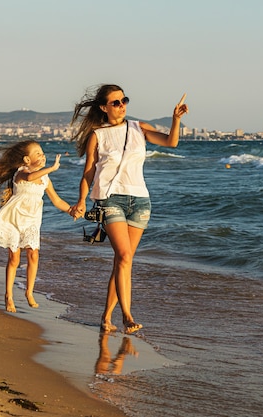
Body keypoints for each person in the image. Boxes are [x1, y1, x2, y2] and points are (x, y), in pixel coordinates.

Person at [69, 84, 188, 334]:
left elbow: (171, 142)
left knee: (123, 261)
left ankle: (106, 316)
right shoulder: (98, 135)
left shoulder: (138, 127)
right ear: (104, 107)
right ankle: (127, 315)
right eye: (116, 102)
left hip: (140, 201)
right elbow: (88, 172)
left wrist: (175, 120)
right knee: (124, 257)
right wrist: (81, 201)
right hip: (110, 200)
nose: (122, 105)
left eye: (124, 100)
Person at [0, 140, 71, 312]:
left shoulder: (45, 179)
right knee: (14, 258)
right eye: (37, 153)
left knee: (33, 254)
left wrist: (72, 210)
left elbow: (57, 200)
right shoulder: (21, 173)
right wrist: (52, 168)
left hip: (32, 221)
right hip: (14, 220)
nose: (42, 155)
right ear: (27, 160)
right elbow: (31, 178)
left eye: (42, 152)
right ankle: (8, 295)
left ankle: (29, 292)